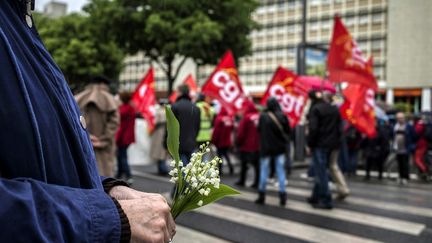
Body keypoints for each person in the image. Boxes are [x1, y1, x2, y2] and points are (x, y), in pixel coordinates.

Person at [0, 1, 175, 241]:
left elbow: (35, 163)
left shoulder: (20, 26)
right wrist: (110, 216)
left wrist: (106, 190)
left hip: (101, 149)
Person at [76, 75, 120, 177]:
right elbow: (114, 122)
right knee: (104, 177)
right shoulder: (109, 99)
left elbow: (72, 120)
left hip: (83, 143)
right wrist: (103, 139)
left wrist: (86, 136)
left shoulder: (79, 97)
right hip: (103, 146)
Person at [307, 90, 342, 209]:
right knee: (321, 170)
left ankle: (326, 199)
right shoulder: (335, 109)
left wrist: (310, 144)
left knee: (321, 172)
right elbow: (339, 129)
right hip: (332, 145)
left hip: (320, 144)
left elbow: (313, 129)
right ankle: (315, 196)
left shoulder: (316, 109)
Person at [255, 98, 290, 206]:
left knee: (264, 171)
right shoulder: (282, 116)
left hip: (266, 148)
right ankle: (282, 194)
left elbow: (258, 130)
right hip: (279, 148)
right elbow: (288, 131)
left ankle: (261, 194)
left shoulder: (263, 116)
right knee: (280, 171)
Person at [171, 84, 201, 164]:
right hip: (192, 141)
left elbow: (170, 127)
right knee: (191, 166)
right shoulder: (195, 107)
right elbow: (198, 126)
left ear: (180, 92)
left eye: (177, 92)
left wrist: (166, 141)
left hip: (178, 141)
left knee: (182, 166)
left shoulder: (175, 106)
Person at [235, 101, 260, 188]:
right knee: (257, 166)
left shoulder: (246, 118)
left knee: (244, 164)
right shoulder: (259, 116)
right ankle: (257, 182)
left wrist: (238, 142)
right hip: (258, 146)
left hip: (246, 146)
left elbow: (241, 133)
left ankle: (242, 180)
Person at [115, 92, 136, 183]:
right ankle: (120, 173)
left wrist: (117, 137)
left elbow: (121, 126)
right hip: (127, 136)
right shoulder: (131, 108)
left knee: (122, 156)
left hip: (123, 136)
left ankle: (128, 175)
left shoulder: (123, 109)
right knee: (120, 156)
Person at [393, 112, 416, 185]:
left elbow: (414, 136)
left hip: (406, 148)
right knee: (399, 163)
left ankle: (405, 177)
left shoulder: (409, 126)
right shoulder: (395, 126)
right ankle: (400, 176)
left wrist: (411, 145)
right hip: (397, 148)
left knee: (405, 164)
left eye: (401, 118)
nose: (400, 119)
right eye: (398, 118)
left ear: (404, 118)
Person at [211, 107, 234, 175]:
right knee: (226, 154)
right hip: (227, 140)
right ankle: (230, 167)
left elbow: (216, 131)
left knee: (220, 156)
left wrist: (214, 140)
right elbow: (232, 128)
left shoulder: (219, 118)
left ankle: (220, 170)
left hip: (220, 141)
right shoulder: (229, 118)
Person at [151, 101, 169, 175]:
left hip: (159, 132)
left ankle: (161, 168)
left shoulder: (158, 112)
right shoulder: (168, 112)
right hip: (166, 131)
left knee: (158, 150)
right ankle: (163, 167)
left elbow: (155, 122)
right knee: (164, 151)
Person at [414, 113, 430, 181]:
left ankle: (425, 171)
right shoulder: (424, 123)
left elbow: (416, 134)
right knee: (422, 158)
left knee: (417, 159)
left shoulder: (419, 124)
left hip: (421, 144)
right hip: (424, 143)